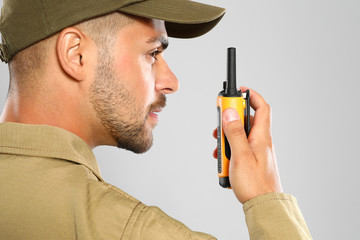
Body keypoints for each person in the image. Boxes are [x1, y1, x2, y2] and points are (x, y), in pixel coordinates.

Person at [0, 0, 312, 239]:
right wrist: (267, 198)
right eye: (153, 52)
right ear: (76, 54)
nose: (171, 81)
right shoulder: (132, 231)